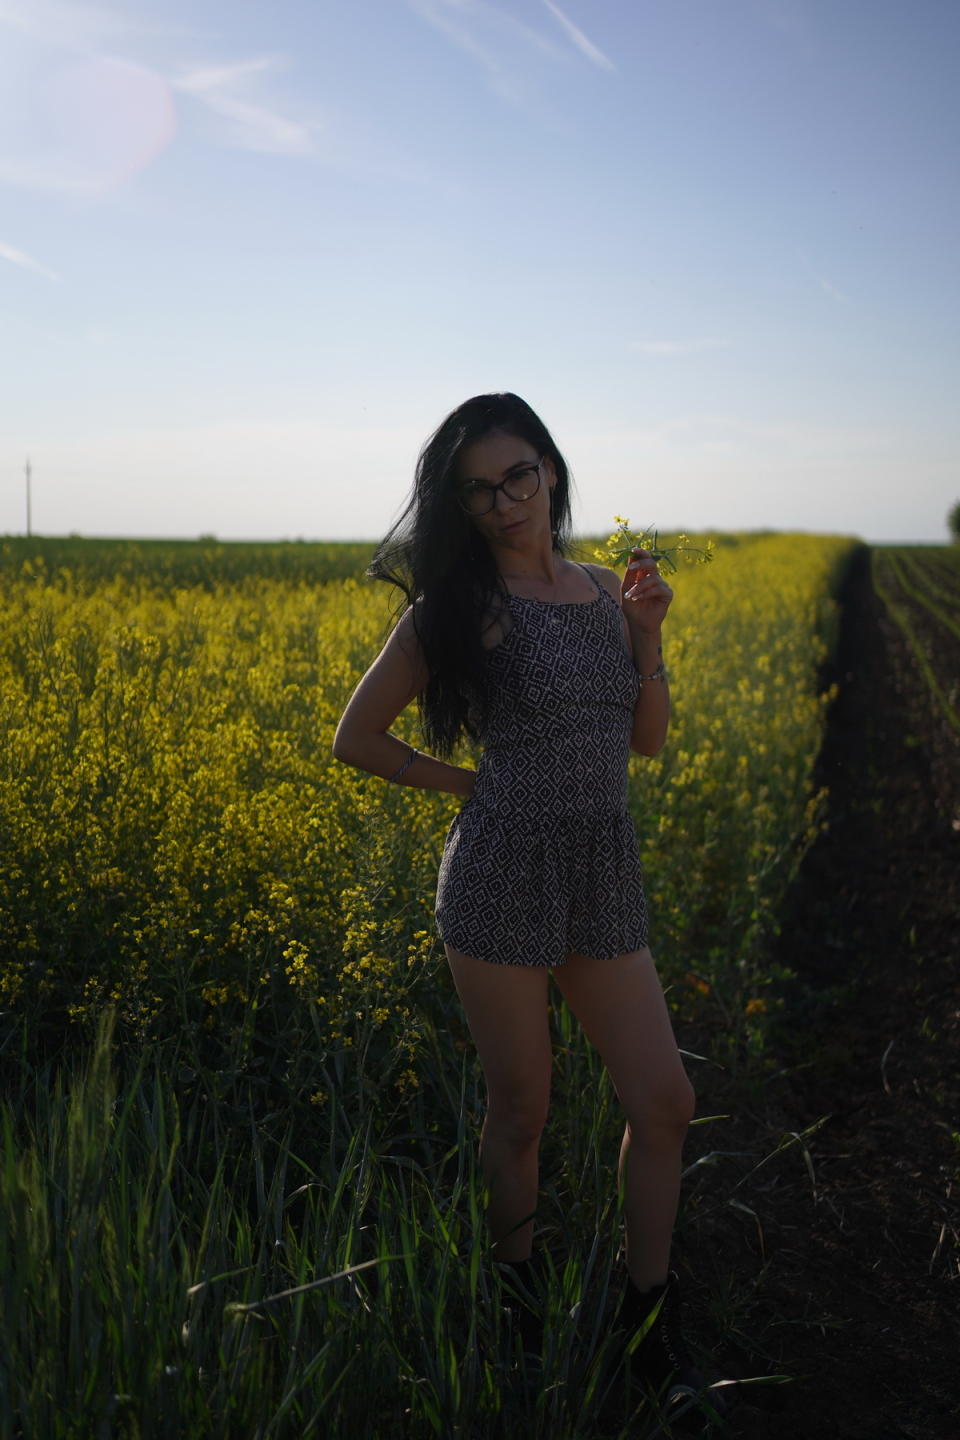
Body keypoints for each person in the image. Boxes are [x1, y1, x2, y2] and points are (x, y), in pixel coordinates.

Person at [333, 393, 726, 1418]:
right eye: (478, 491)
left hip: (601, 866)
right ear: (459, 506)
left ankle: (648, 1320)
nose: (504, 503)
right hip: (501, 871)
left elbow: (648, 741)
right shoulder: (454, 610)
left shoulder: (606, 591)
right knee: (521, 1114)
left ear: (550, 469)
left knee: (665, 1102)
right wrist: (473, 787)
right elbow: (355, 737)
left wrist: (647, 637)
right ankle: (513, 1305)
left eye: (517, 476)